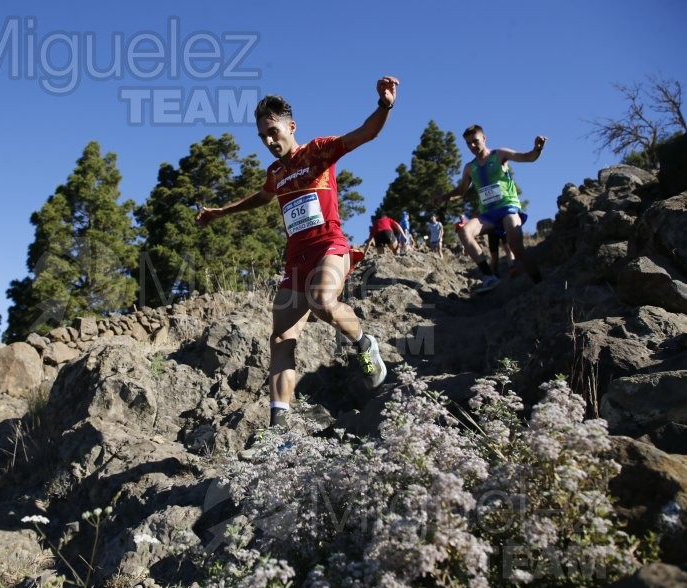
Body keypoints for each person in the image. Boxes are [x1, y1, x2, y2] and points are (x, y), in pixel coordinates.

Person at [196, 76, 399, 430]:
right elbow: (260, 198)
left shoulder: (318, 151)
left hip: (330, 246)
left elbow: (365, 134)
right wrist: (219, 213)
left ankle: (366, 344)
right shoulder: (275, 173)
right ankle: (278, 426)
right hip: (297, 257)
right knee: (280, 339)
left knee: (322, 300)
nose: (269, 141)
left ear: (291, 126)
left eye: (273, 131)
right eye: (263, 137)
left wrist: (384, 105)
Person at [437, 124, 546, 293]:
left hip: (508, 208)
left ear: (484, 138)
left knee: (516, 247)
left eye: (475, 141)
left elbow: (527, 157)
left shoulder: (499, 155)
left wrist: (537, 149)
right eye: (468, 143)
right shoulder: (470, 167)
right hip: (487, 214)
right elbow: (461, 191)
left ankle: (539, 283)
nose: (472, 146)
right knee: (464, 232)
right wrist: (445, 197)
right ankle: (489, 276)